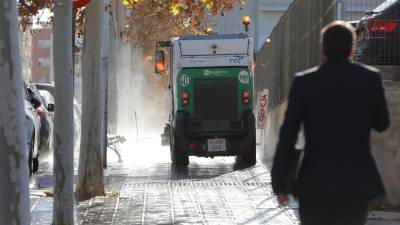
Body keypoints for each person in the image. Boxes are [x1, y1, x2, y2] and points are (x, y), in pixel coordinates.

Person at [271, 21, 390, 225]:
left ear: (323, 49)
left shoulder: (304, 82)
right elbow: (382, 123)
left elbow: (288, 135)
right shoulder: (370, 79)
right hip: (356, 181)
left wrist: (280, 183)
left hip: (314, 182)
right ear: (352, 49)